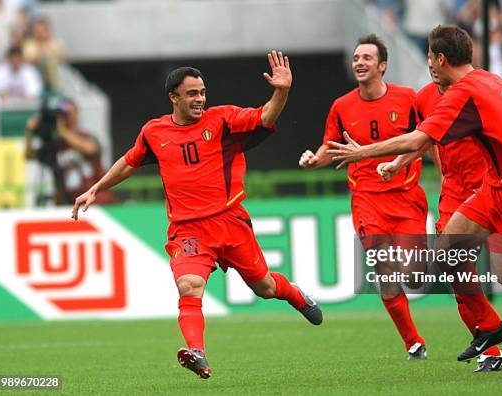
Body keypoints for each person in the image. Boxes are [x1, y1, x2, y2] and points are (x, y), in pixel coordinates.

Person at [327, 25, 502, 375]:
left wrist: (361, 153)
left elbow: (415, 140)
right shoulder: (491, 81)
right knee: (446, 252)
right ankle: (489, 327)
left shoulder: (463, 93)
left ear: (440, 59)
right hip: (494, 187)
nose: (429, 64)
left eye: (430, 57)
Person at [72, 51, 322, 380]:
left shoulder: (222, 120)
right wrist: (96, 187)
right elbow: (129, 162)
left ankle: (295, 294)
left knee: (264, 287)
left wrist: (282, 91)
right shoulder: (154, 132)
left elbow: (264, 117)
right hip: (188, 229)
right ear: (173, 97)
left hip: (230, 221)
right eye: (192, 93)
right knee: (189, 285)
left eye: (202, 92)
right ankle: (197, 352)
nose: (200, 99)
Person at [377, 63, 502, 372]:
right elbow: (423, 139)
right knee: (457, 276)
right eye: (428, 58)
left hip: (491, 187)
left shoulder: (479, 90)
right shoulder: (424, 98)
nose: (431, 65)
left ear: (448, 60)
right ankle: (492, 353)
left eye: (436, 58)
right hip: (454, 195)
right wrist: (399, 163)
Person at [299, 34, 428, 360]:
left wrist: (403, 164)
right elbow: (331, 147)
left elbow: (427, 139)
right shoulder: (342, 106)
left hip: (406, 197)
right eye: (356, 57)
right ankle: (413, 342)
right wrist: (316, 160)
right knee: (386, 274)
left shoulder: (409, 99)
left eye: (367, 58)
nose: (359, 62)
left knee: (413, 275)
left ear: (382, 66)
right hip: (367, 201)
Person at [25, 96, 115, 205]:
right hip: (70, 204)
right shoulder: (56, 145)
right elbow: (29, 155)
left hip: (97, 200)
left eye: (68, 113)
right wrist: (29, 133)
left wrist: (63, 131)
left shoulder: (87, 137)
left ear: (77, 114)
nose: (65, 117)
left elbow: (90, 149)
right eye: (62, 115)